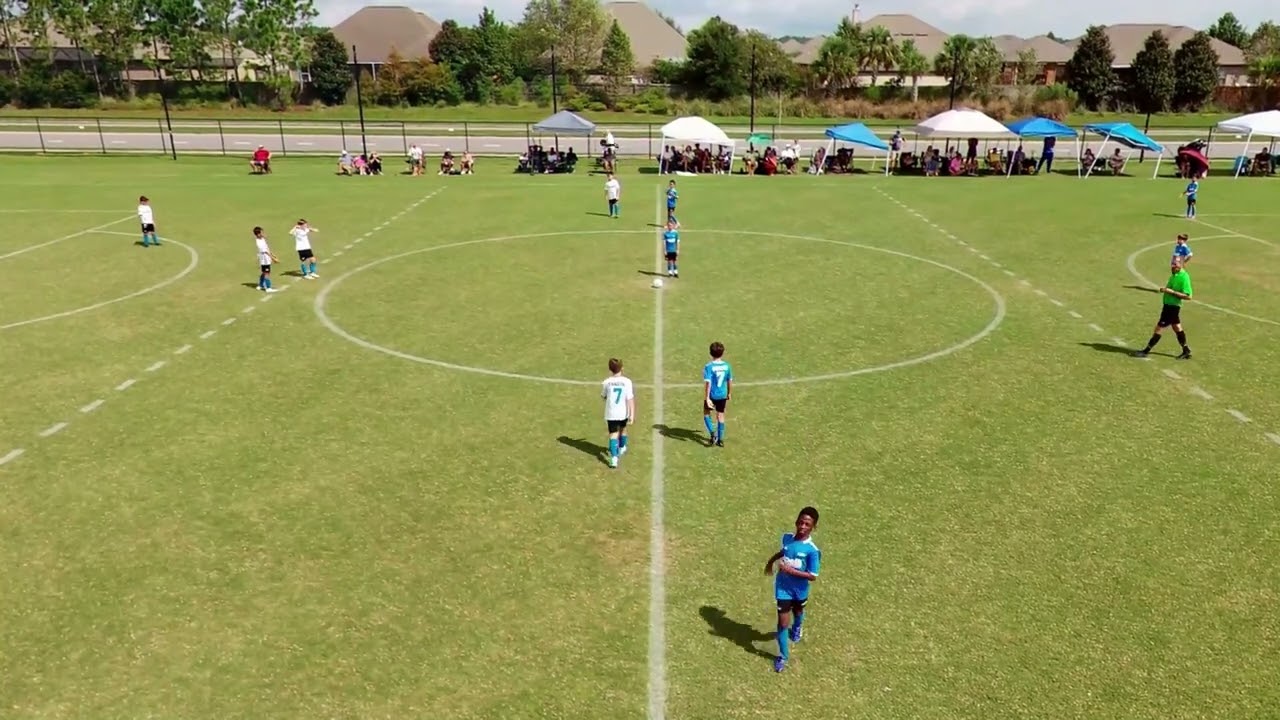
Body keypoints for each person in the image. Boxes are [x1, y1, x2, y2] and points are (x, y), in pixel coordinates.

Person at [764, 507, 821, 673]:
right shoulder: (787, 538)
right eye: (800, 522)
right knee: (782, 623)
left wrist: (790, 571)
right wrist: (770, 562)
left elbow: (812, 575)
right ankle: (782, 655)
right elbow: (784, 551)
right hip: (783, 588)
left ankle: (797, 627)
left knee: (798, 612)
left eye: (807, 524)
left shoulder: (812, 550)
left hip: (800, 590)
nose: (802, 526)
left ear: (813, 527)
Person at [1134, 256, 1193, 360]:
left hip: (1172, 307)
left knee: (1159, 328)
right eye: (1172, 263)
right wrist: (1165, 290)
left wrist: (1172, 292)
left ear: (1182, 264)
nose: (1173, 266)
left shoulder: (1184, 277)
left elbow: (1188, 296)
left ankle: (1146, 351)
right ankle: (1186, 350)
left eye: (1176, 264)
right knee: (1177, 327)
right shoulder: (1175, 275)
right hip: (1168, 306)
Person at [601, 358, 635, 469]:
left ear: (610, 369)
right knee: (623, 430)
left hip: (611, 412)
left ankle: (614, 458)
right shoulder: (627, 381)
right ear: (622, 368)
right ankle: (622, 447)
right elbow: (630, 399)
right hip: (623, 412)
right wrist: (632, 414)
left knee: (613, 434)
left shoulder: (606, 382)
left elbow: (604, 396)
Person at [702, 341, 732, 446]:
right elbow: (729, 380)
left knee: (706, 413)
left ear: (710, 353)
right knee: (720, 416)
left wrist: (707, 398)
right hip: (722, 394)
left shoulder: (709, 367)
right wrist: (729, 393)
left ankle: (712, 433)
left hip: (712, 394)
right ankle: (721, 440)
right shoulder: (727, 366)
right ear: (722, 353)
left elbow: (708, 383)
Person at [253, 226, 278, 293]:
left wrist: (273, 254)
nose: (263, 233)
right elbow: (265, 251)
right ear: (258, 234)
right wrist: (273, 259)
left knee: (264, 272)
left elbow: (267, 248)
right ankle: (268, 288)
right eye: (261, 232)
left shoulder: (262, 239)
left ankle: (260, 285)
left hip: (265, 257)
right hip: (264, 259)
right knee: (267, 273)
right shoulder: (259, 242)